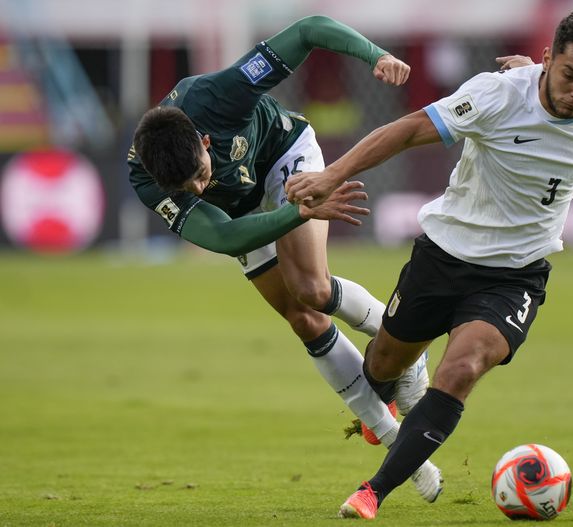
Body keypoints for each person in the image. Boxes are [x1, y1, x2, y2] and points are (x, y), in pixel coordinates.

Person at [285, 10, 573, 519]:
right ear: (548, 60)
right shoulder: (496, 95)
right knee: (381, 365)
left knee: (463, 367)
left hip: (517, 274)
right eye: (569, 76)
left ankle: (372, 492)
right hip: (444, 255)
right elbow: (407, 130)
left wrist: (539, 74)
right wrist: (331, 175)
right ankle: (403, 375)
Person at [127, 15, 441, 502]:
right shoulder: (146, 178)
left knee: (312, 287)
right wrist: (299, 213)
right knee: (302, 318)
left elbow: (309, 30)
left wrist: (375, 55)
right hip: (245, 210)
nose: (197, 189)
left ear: (206, 142)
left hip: (283, 155)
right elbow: (227, 235)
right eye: (185, 188)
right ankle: (393, 436)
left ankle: (402, 346)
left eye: (200, 174)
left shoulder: (219, 94)